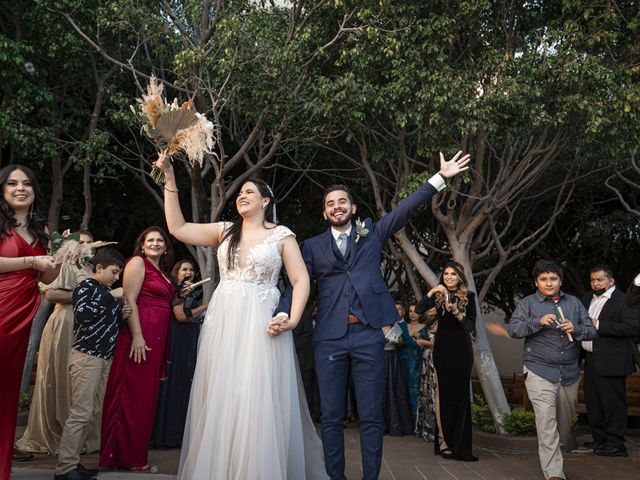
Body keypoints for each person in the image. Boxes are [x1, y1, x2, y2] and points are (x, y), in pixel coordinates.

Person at [277, 152, 470, 480]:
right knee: (332, 415)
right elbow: (298, 283)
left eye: (343, 201)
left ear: (352, 208)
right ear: (325, 213)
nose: (337, 206)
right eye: (331, 203)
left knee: (370, 416)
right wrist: (283, 311)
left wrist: (440, 178)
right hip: (329, 338)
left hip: (369, 335)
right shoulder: (311, 247)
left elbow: (405, 210)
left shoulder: (371, 233)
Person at [156, 155, 327, 479]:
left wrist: (291, 318)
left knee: (256, 396)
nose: (242, 196)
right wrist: (170, 178)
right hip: (224, 321)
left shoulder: (281, 236)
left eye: (249, 192)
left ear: (266, 200)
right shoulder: (224, 231)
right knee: (223, 393)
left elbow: (301, 280)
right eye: (240, 193)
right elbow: (177, 228)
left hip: (261, 322)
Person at [508, 260, 597, 480]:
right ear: (536, 282)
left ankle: (558, 452)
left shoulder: (574, 303)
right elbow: (514, 329)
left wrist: (575, 328)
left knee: (564, 427)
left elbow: (591, 331)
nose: (549, 283)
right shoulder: (528, 303)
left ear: (560, 281)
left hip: (569, 372)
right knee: (546, 422)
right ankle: (554, 474)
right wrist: (537, 321)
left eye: (553, 279)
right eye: (544, 279)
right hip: (539, 370)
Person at [99, 227, 177, 472]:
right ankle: (122, 457)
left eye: (160, 240)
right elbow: (129, 300)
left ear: (165, 247)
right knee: (131, 395)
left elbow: (165, 300)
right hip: (139, 339)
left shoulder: (162, 271)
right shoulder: (137, 263)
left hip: (157, 339)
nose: (155, 243)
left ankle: (135, 457)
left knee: (144, 399)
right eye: (150, 240)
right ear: (142, 245)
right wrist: (138, 336)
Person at [0, 164, 59, 480]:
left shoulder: (42, 231)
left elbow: (46, 276)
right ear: (3, 190)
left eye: (27, 184)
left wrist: (57, 262)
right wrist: (31, 261)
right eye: (12, 183)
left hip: (21, 316)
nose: (20, 188)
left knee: (6, 395)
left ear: (35, 191)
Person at [16, 231, 99, 455]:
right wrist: (90, 294)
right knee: (61, 374)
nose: (86, 246)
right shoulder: (64, 265)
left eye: (90, 243)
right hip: (66, 322)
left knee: (82, 380)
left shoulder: (90, 268)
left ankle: (77, 436)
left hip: (88, 326)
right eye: (81, 242)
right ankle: (58, 433)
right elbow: (52, 295)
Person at [55, 247, 130, 480]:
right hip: (87, 358)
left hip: (102, 358)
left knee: (91, 412)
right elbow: (83, 315)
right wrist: (111, 297)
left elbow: (104, 323)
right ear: (99, 268)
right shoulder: (87, 287)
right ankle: (65, 468)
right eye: (114, 272)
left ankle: (73, 463)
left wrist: (122, 315)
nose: (116, 278)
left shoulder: (104, 290)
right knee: (80, 413)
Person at [415, 261, 478, 461]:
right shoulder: (438, 296)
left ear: (460, 277)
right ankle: (443, 441)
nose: (449, 277)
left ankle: (460, 444)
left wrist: (456, 312)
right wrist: (433, 290)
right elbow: (418, 310)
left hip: (462, 350)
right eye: (446, 274)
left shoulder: (469, 297)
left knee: (460, 396)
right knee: (442, 394)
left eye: (453, 274)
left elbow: (470, 327)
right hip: (442, 349)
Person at [580, 265, 640, 457]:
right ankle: (600, 440)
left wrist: (599, 324)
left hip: (612, 363)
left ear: (611, 281)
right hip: (590, 360)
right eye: (592, 280)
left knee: (613, 404)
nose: (595, 283)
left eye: (599, 280)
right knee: (594, 404)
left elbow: (632, 328)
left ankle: (616, 444)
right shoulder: (588, 297)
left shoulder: (624, 300)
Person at [153, 259, 208, 448]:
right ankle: (167, 436)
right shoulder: (176, 290)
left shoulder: (192, 290)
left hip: (188, 338)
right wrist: (207, 306)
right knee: (175, 382)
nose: (189, 272)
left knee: (185, 383)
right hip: (177, 340)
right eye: (184, 269)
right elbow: (181, 316)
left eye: (191, 269)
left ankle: (177, 433)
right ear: (176, 272)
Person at [381, 310, 413, 437]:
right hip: (380, 358)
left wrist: (394, 340)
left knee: (395, 389)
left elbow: (401, 342)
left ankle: (395, 424)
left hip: (392, 358)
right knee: (382, 390)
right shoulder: (375, 326)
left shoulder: (394, 325)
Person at [398, 302, 425, 422]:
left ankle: (416, 422)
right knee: (401, 390)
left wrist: (419, 338)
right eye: (410, 311)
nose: (413, 314)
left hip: (418, 364)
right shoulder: (401, 326)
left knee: (415, 391)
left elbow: (430, 344)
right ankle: (404, 422)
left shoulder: (425, 327)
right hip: (401, 362)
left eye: (416, 311)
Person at [414, 306, 437, 442]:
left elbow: (439, 343)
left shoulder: (441, 322)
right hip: (426, 360)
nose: (429, 308)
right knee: (426, 392)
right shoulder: (430, 323)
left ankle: (434, 429)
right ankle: (425, 427)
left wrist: (423, 342)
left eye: (432, 306)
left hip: (434, 360)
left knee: (433, 393)